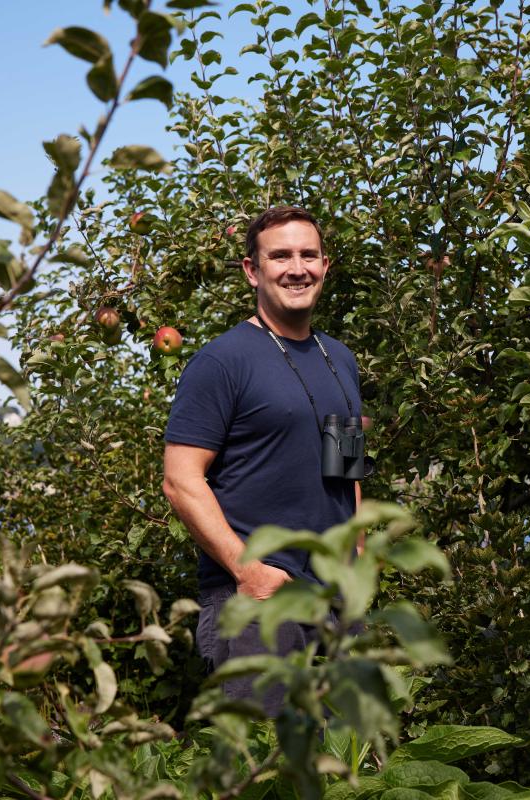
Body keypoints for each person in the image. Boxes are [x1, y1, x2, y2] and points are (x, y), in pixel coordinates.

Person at [162, 206, 362, 715]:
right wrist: (249, 572)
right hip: (259, 604)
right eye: (280, 256)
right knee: (269, 772)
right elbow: (181, 481)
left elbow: (344, 465)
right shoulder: (220, 361)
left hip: (336, 601)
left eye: (308, 255)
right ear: (253, 270)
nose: (297, 268)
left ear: (325, 265)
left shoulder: (338, 359)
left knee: (353, 768)